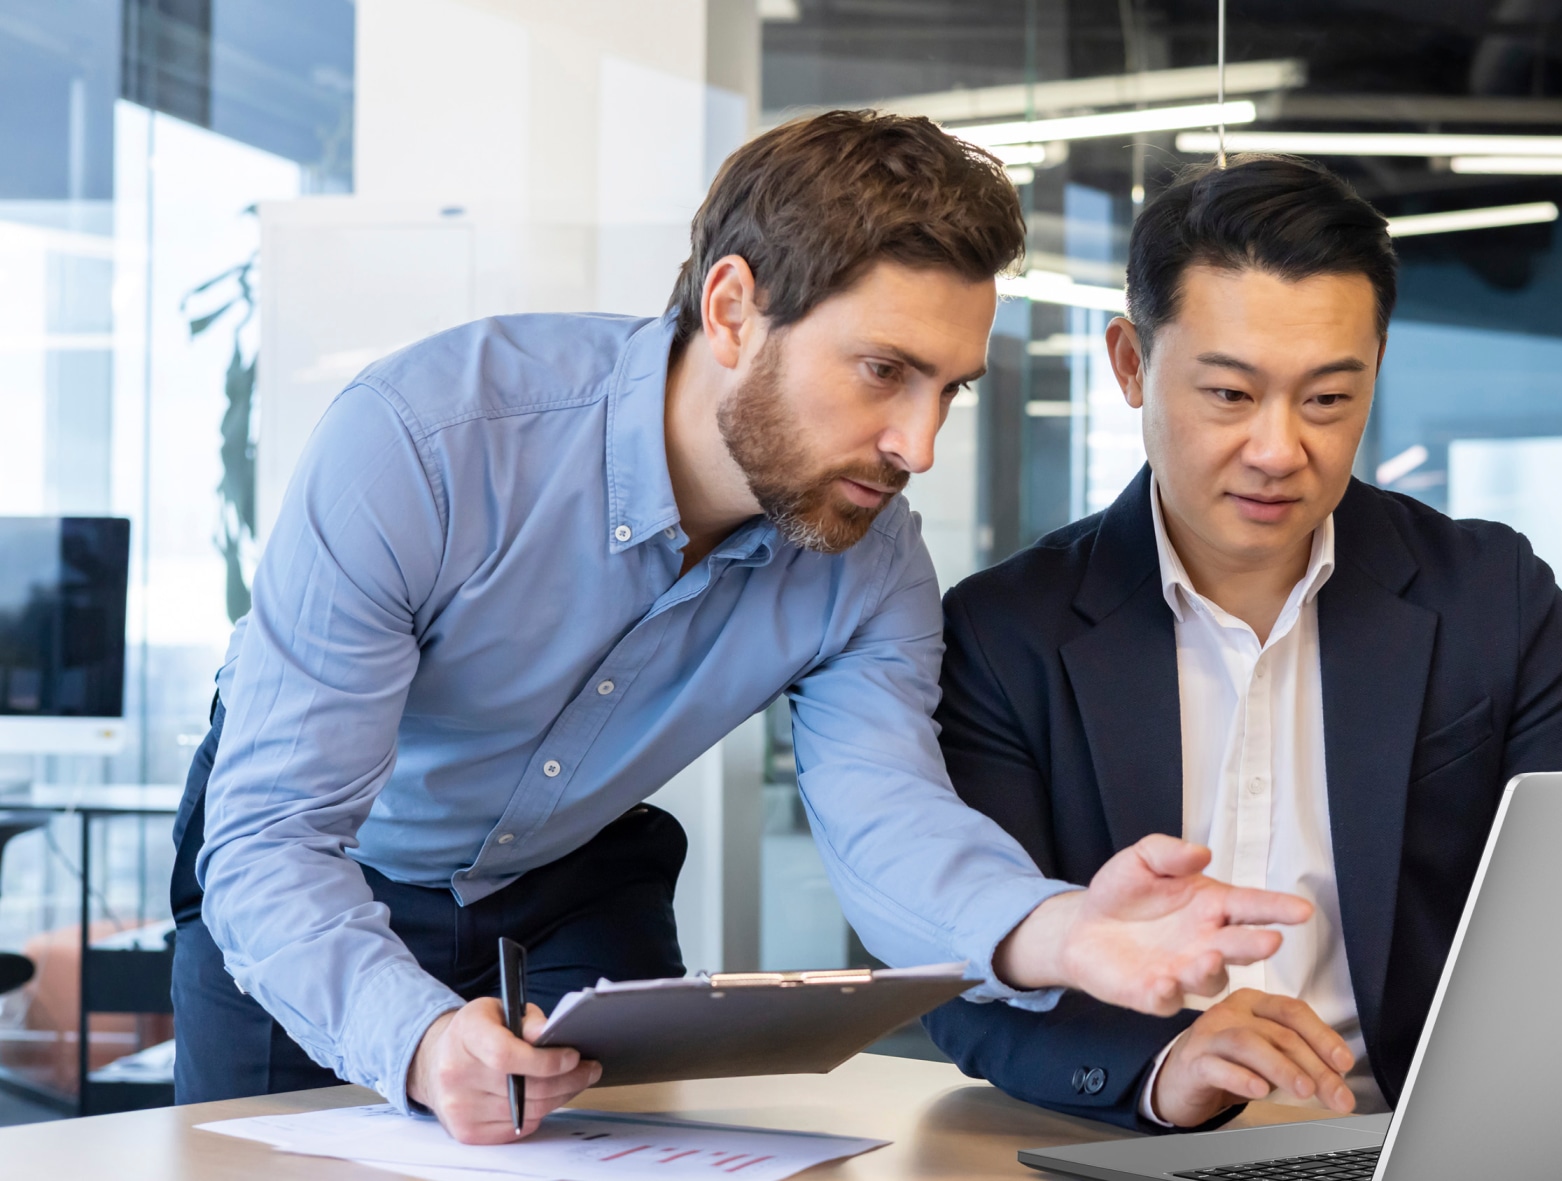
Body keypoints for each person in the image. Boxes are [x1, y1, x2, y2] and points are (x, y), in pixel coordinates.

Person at [170, 112, 1315, 1145]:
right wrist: (415, 1041)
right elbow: (274, 835)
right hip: (315, 866)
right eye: (883, 371)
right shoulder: (428, 444)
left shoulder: (873, 558)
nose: (917, 444)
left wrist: (1062, 928)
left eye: (949, 388)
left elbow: (889, 818)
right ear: (731, 309)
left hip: (571, 878)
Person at [921, 156, 1562, 1130]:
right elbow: (963, 976)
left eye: (1327, 400)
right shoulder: (1004, 631)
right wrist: (1164, 1064)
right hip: (1138, 1138)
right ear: (1131, 364)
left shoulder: (1490, 594)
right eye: (1229, 394)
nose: (1278, 449)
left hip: (1414, 1138)